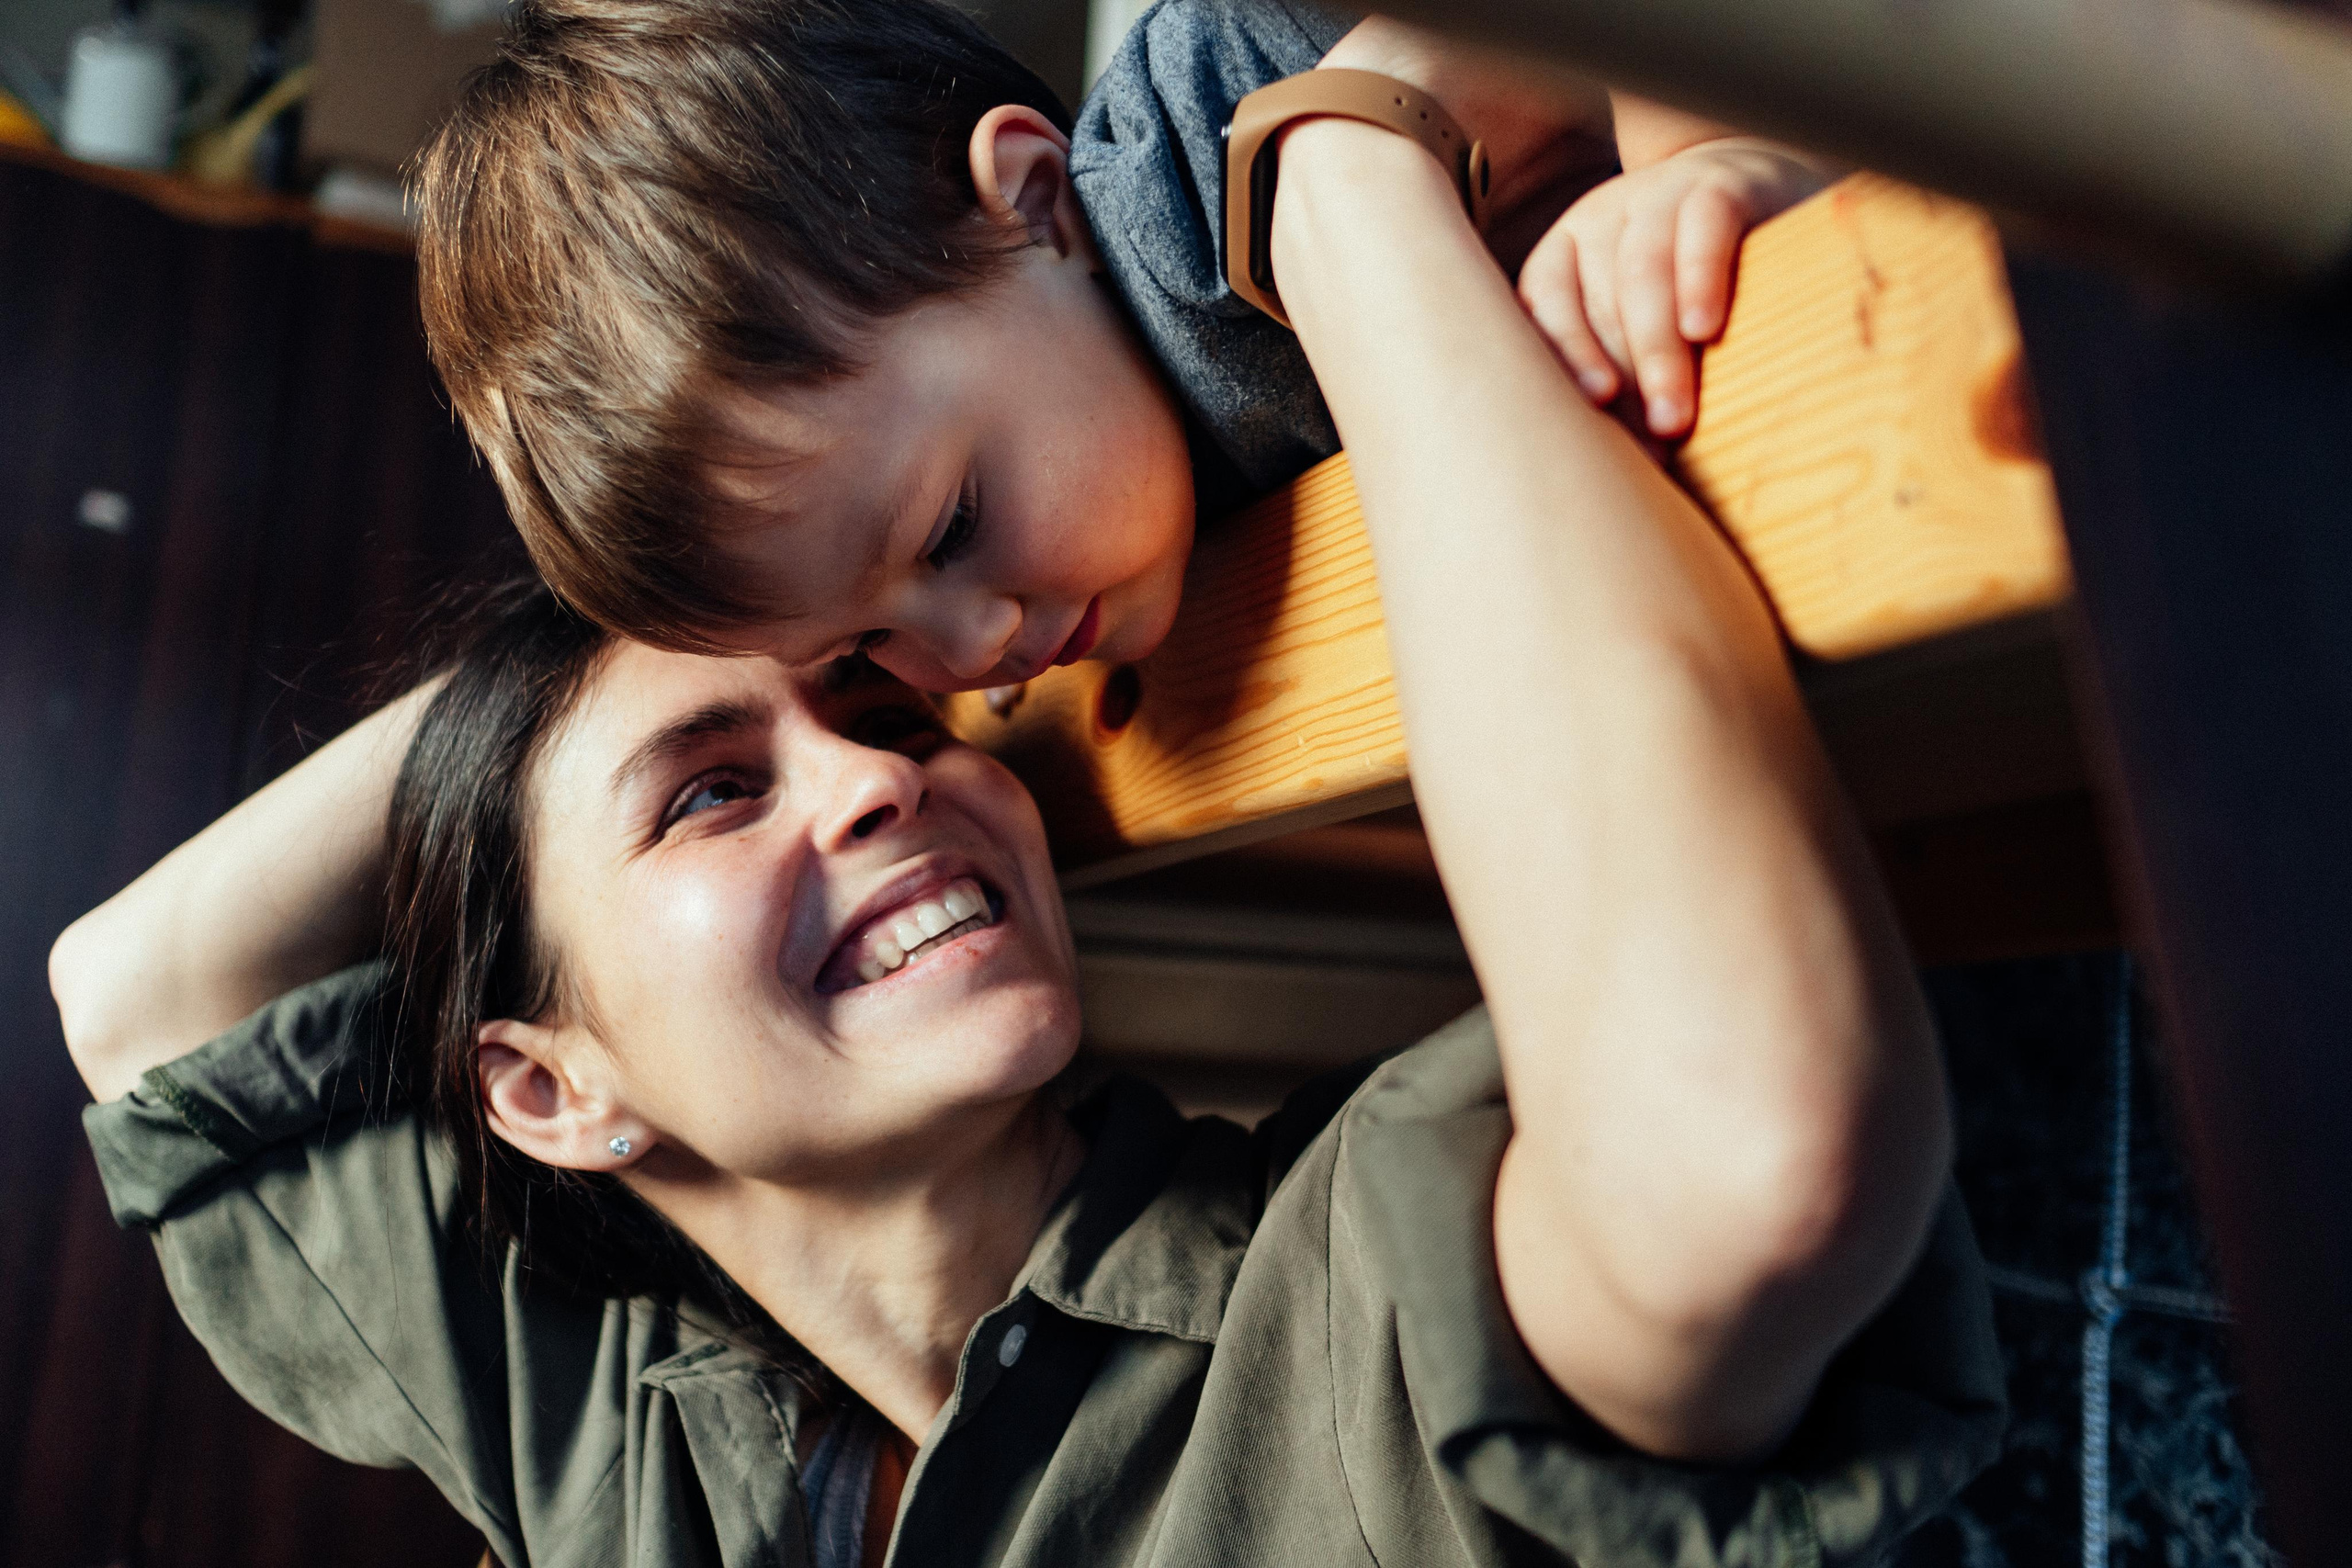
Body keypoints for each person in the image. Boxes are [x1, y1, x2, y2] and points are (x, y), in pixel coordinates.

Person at [52, 101, 1999, 1568]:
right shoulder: (600, 1432)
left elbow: (1745, 1162)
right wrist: (692, 562)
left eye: (884, 705)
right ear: (546, 1085)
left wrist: (1337, 189)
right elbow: (137, 985)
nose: (885, 766)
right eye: (714, 786)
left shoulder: (1335, 1298)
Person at [410, 0, 1835, 688]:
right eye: (866, 643)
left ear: (1035, 203)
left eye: (955, 523)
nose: (976, 649)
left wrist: (1697, 163)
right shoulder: (1085, 472)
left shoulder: (1202, 152)